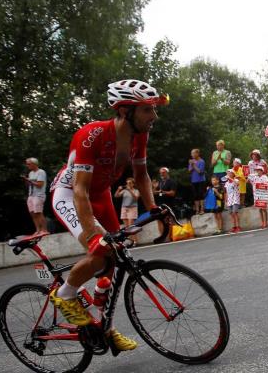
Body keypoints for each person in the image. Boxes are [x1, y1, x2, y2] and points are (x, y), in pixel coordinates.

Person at [48, 79, 168, 352]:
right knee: (100, 250)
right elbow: (79, 189)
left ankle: (105, 326)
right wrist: (93, 235)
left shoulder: (140, 136)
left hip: (100, 193)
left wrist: (153, 211)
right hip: (71, 194)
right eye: (147, 110)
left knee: (117, 259)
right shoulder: (92, 134)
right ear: (126, 111)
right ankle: (64, 295)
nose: (154, 117)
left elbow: (141, 175)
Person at [22, 157, 49, 234]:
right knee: (33, 213)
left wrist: (29, 180)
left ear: (34, 164)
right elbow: (29, 185)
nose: (27, 165)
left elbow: (40, 185)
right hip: (31, 195)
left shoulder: (41, 172)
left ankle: (44, 230)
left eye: (29, 164)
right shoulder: (31, 173)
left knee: (38, 212)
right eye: (27, 164)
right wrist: (26, 181)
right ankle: (38, 230)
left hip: (39, 195)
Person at [114, 178, 141, 246]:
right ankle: (130, 241)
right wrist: (118, 189)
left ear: (133, 184)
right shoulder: (124, 191)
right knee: (126, 227)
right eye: (127, 183)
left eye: (130, 183)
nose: (128, 184)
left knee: (131, 225)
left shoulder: (136, 190)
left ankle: (135, 241)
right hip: (124, 208)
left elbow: (136, 198)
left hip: (132, 208)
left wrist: (129, 190)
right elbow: (116, 196)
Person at [188, 148, 207, 215]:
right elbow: (189, 171)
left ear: (197, 154)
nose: (192, 155)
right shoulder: (192, 161)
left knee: (201, 195)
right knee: (195, 196)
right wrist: (191, 165)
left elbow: (200, 172)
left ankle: (202, 209)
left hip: (201, 180)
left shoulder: (202, 161)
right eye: (191, 153)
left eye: (193, 153)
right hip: (194, 180)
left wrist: (193, 165)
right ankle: (197, 210)